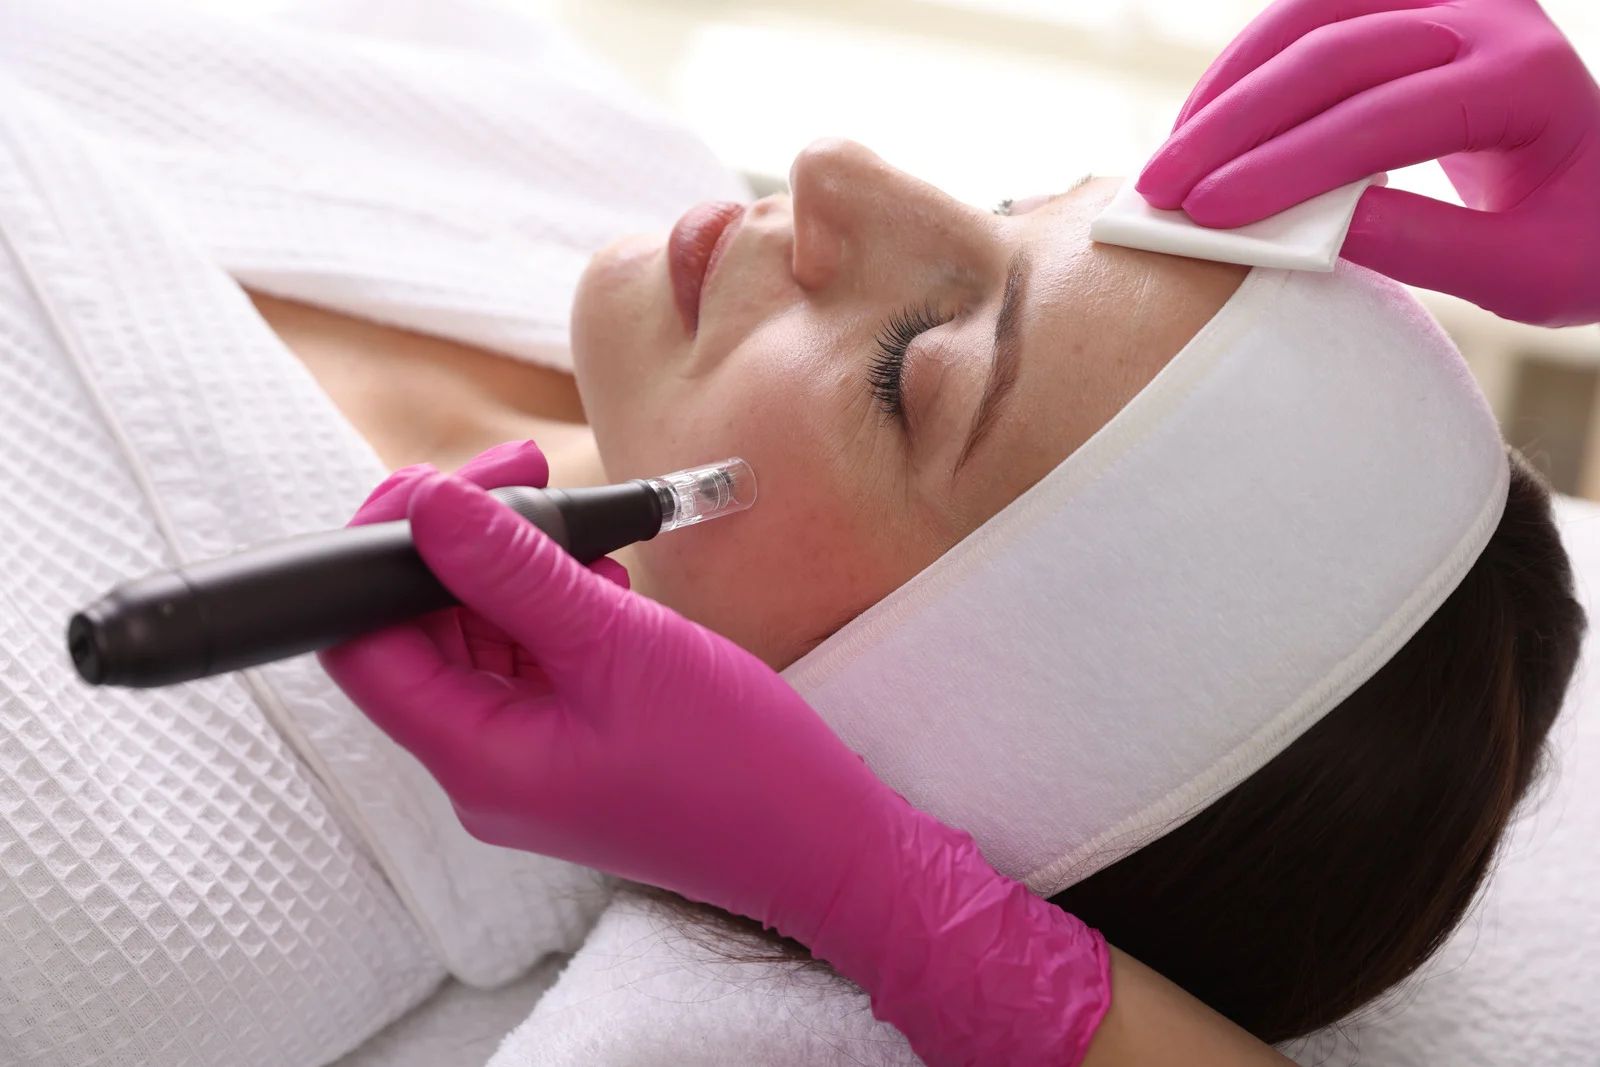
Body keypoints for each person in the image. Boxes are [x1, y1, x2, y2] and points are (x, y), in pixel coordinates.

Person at [318, 1, 1598, 1063]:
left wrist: (870, 885)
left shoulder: (275, 844)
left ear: (844, 731)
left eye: (905, 366)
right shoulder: (556, 134)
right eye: (1006, 206)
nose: (835, 169)